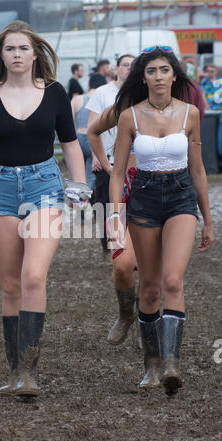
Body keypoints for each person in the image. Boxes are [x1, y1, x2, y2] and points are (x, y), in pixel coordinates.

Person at [0, 20, 87, 398]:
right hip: (1, 190)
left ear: (35, 53)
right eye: (9, 49)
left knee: (32, 275)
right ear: (1, 54)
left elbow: (71, 143)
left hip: (45, 185)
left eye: (22, 49)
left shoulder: (57, 93)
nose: (16, 55)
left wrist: (78, 185)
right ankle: (15, 374)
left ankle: (29, 374)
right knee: (11, 285)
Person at [104, 45, 214, 395]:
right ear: (143, 77)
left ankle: (171, 364)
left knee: (172, 281)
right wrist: (115, 216)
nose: (158, 77)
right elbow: (118, 171)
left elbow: (198, 170)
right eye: (151, 71)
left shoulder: (191, 114)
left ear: (174, 75)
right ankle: (151, 365)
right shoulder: (129, 117)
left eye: (164, 70)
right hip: (144, 201)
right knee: (149, 287)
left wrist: (208, 219)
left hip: (181, 198)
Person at [87, 54, 138, 347]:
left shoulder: (172, 106)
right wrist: (102, 161)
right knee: (121, 263)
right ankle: (126, 313)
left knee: (153, 266)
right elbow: (93, 129)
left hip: (157, 190)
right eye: (127, 64)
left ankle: (148, 318)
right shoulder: (110, 98)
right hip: (117, 175)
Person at [71, 72, 107, 191]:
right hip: (93, 139)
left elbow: (69, 123)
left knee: (77, 172)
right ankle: (88, 198)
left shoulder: (77, 99)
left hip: (77, 139)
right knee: (90, 174)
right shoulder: (102, 99)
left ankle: (78, 202)